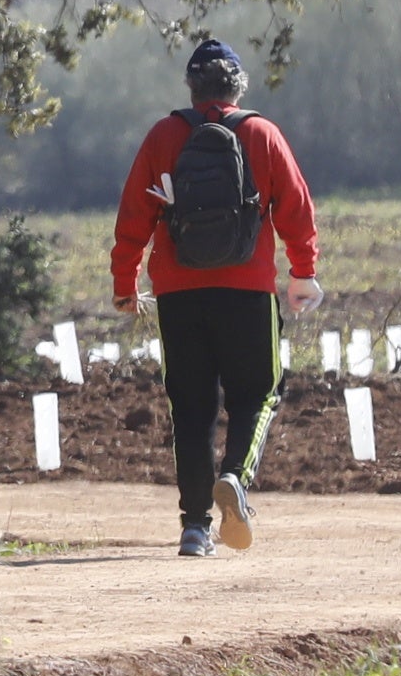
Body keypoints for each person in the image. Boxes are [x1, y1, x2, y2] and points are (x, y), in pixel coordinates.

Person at [108, 37, 318, 556]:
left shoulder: (164, 135)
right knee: (257, 394)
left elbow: (135, 214)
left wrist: (124, 283)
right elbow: (295, 206)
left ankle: (195, 528)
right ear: (237, 86)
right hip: (246, 292)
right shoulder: (261, 133)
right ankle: (236, 479)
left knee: (192, 408)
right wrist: (303, 272)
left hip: (179, 294)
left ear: (192, 86)